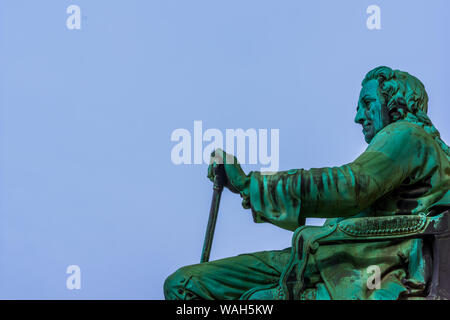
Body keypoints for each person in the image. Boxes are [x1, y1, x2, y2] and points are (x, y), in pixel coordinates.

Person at [164, 66, 450, 300]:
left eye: (367, 103)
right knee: (187, 285)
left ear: (395, 103)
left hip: (345, 265)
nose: (358, 116)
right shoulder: (424, 150)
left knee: (185, 285)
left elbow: (349, 185)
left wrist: (249, 184)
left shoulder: (407, 135)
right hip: (330, 259)